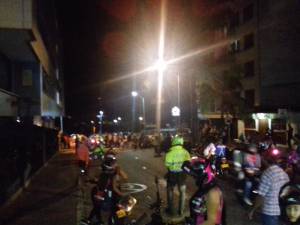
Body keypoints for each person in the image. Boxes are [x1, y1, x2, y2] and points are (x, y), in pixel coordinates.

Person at [84, 152, 128, 225]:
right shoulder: (109, 174)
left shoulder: (112, 172)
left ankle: (96, 220)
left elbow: (125, 177)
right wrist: (122, 194)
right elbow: (114, 187)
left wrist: (119, 171)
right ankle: (97, 220)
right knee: (111, 210)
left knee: (100, 207)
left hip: (109, 194)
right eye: (114, 163)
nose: (115, 164)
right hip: (107, 194)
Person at [248, 148, 290, 225]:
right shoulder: (283, 173)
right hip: (281, 212)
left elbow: (261, 196)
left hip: (269, 212)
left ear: (265, 160)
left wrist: (252, 210)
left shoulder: (267, 173)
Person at [182, 157, 225, 225]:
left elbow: (212, 221)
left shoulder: (213, 192)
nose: (194, 179)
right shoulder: (205, 187)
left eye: (195, 177)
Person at [165, 135, 191, 216]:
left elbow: (167, 164)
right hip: (182, 174)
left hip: (172, 174)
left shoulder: (169, 152)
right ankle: (181, 211)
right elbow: (188, 163)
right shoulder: (186, 152)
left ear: (174, 143)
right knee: (182, 192)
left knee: (170, 191)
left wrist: (173, 167)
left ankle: (171, 210)